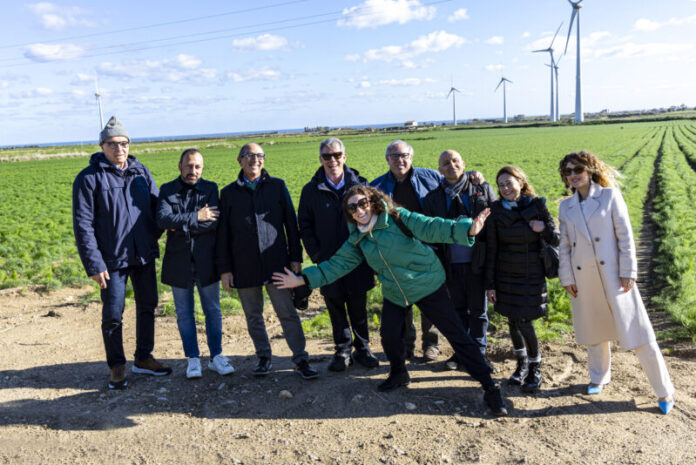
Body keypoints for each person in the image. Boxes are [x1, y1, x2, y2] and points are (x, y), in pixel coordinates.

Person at [273, 185, 509, 417]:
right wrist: (303, 279)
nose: (359, 210)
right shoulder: (358, 239)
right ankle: (399, 374)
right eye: (353, 208)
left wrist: (467, 229)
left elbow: (431, 226)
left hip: (426, 283)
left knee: (456, 334)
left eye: (363, 203)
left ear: (373, 202)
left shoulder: (397, 218)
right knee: (389, 335)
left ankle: (490, 387)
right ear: (349, 213)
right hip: (396, 291)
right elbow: (337, 265)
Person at [557, 151, 675, 414]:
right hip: (584, 278)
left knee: (639, 333)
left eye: (578, 169)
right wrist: (567, 276)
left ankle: (664, 390)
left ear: (590, 170)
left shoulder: (609, 196)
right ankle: (599, 377)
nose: (573, 175)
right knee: (595, 332)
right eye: (568, 171)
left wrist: (628, 270)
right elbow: (564, 246)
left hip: (615, 277)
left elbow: (625, 236)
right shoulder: (566, 207)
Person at [72, 116, 170, 390]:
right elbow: (82, 224)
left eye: (124, 143)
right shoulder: (89, 178)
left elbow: (157, 208)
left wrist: (154, 235)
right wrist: (94, 263)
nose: (119, 149)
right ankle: (116, 365)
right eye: (113, 144)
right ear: (102, 146)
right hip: (111, 259)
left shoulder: (141, 172)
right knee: (113, 313)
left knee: (148, 306)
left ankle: (143, 357)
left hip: (143, 254)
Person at [216, 142, 319, 380]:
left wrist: (295, 257)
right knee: (253, 316)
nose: (255, 160)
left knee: (287, 312)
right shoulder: (228, 193)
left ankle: (301, 359)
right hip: (244, 265)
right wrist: (225, 269)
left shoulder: (277, 186)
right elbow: (223, 235)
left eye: (260, 155)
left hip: (277, 262)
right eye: (249, 155)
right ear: (239, 160)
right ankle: (264, 357)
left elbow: (290, 223)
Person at [298, 138, 379, 371]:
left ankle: (363, 349)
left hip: (358, 260)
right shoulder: (311, 190)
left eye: (336, 155)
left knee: (359, 306)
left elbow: (373, 219)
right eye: (327, 156)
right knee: (334, 306)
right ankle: (342, 351)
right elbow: (304, 225)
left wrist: (369, 253)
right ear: (320, 159)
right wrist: (317, 254)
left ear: (344, 156)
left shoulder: (361, 186)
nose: (332, 160)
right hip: (328, 261)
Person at [156, 149, 235, 379]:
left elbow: (213, 222)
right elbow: (162, 220)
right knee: (184, 313)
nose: (193, 170)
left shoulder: (210, 188)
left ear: (202, 168)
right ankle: (192, 359)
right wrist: (195, 216)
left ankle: (216, 356)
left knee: (213, 310)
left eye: (197, 166)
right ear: (180, 166)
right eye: (189, 166)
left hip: (206, 261)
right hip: (178, 262)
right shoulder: (167, 190)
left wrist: (179, 225)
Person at [484, 166, 559, 393]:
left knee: (525, 321)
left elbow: (556, 239)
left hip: (531, 275)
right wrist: (490, 285)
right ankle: (522, 364)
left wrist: (542, 228)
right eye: (501, 185)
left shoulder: (537, 206)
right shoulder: (495, 211)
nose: (505, 188)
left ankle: (535, 367)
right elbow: (491, 250)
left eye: (509, 183)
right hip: (505, 275)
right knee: (512, 321)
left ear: (521, 182)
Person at [370, 140, 444, 361]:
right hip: (396, 252)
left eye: (404, 155)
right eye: (394, 156)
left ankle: (431, 344)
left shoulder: (431, 177)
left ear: (411, 157)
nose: (399, 160)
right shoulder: (376, 186)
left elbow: (455, 181)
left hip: (428, 248)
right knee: (403, 299)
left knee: (430, 298)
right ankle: (406, 345)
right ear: (387, 159)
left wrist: (475, 177)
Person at [424, 150, 497, 371]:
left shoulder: (482, 189)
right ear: (439, 169)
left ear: (464, 164)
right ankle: (462, 353)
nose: (451, 165)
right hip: (450, 264)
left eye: (455, 161)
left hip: (478, 262)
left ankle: (479, 354)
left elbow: (495, 222)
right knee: (458, 312)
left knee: (479, 312)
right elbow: (430, 233)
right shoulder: (432, 199)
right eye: (446, 163)